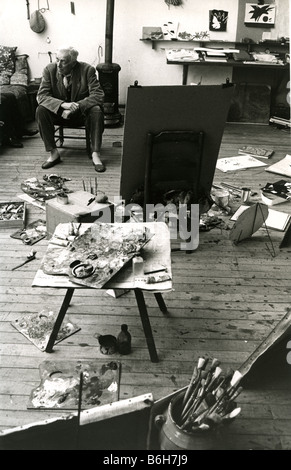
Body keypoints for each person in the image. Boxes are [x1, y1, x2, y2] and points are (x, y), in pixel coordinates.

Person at [36, 46, 105, 171]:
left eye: (63, 61)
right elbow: (41, 96)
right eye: (57, 59)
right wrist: (63, 105)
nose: (58, 64)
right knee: (41, 110)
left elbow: (98, 95)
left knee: (96, 110)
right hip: (59, 113)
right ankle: (53, 153)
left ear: (73, 63)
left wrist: (76, 106)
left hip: (81, 115)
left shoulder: (87, 70)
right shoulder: (49, 70)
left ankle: (96, 154)